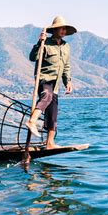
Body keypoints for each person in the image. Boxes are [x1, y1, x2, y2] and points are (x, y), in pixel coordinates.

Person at [25, 16, 76, 149]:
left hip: (56, 84)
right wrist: (38, 43)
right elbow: (32, 57)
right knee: (46, 96)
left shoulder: (66, 47)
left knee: (53, 113)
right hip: (44, 79)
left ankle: (50, 143)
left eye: (65, 29)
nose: (64, 31)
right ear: (55, 30)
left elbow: (66, 66)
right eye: (61, 28)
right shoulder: (45, 43)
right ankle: (32, 121)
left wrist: (68, 81)